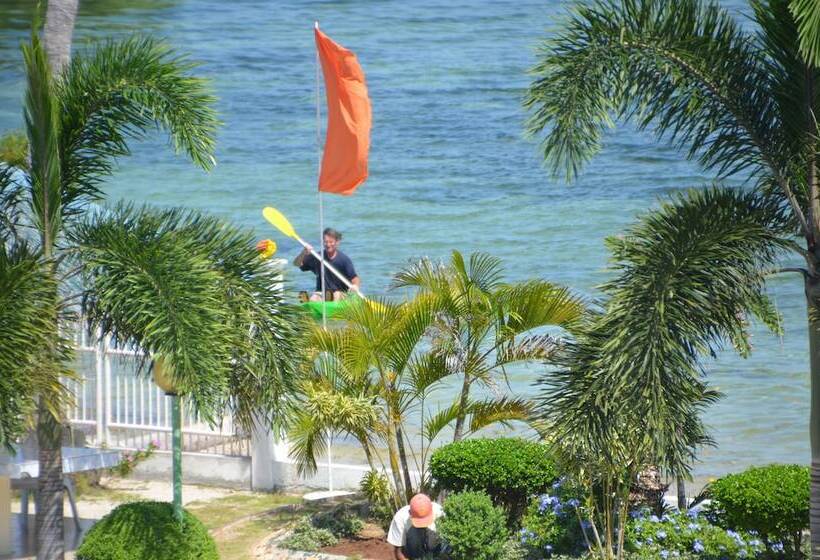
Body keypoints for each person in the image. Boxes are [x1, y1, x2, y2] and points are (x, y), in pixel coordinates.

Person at [293, 227, 360, 301]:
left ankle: (330, 304)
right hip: (322, 293)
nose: (328, 245)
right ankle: (309, 304)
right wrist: (303, 253)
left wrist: (355, 286)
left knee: (336, 294)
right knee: (313, 298)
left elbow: (355, 278)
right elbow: (297, 264)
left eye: (331, 242)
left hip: (340, 293)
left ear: (337, 242)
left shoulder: (344, 260)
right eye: (326, 242)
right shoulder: (317, 257)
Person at [387, 493, 445, 560]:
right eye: (420, 522)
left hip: (435, 550)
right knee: (414, 535)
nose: (423, 525)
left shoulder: (439, 512)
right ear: (410, 513)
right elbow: (398, 551)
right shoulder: (400, 518)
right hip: (412, 552)